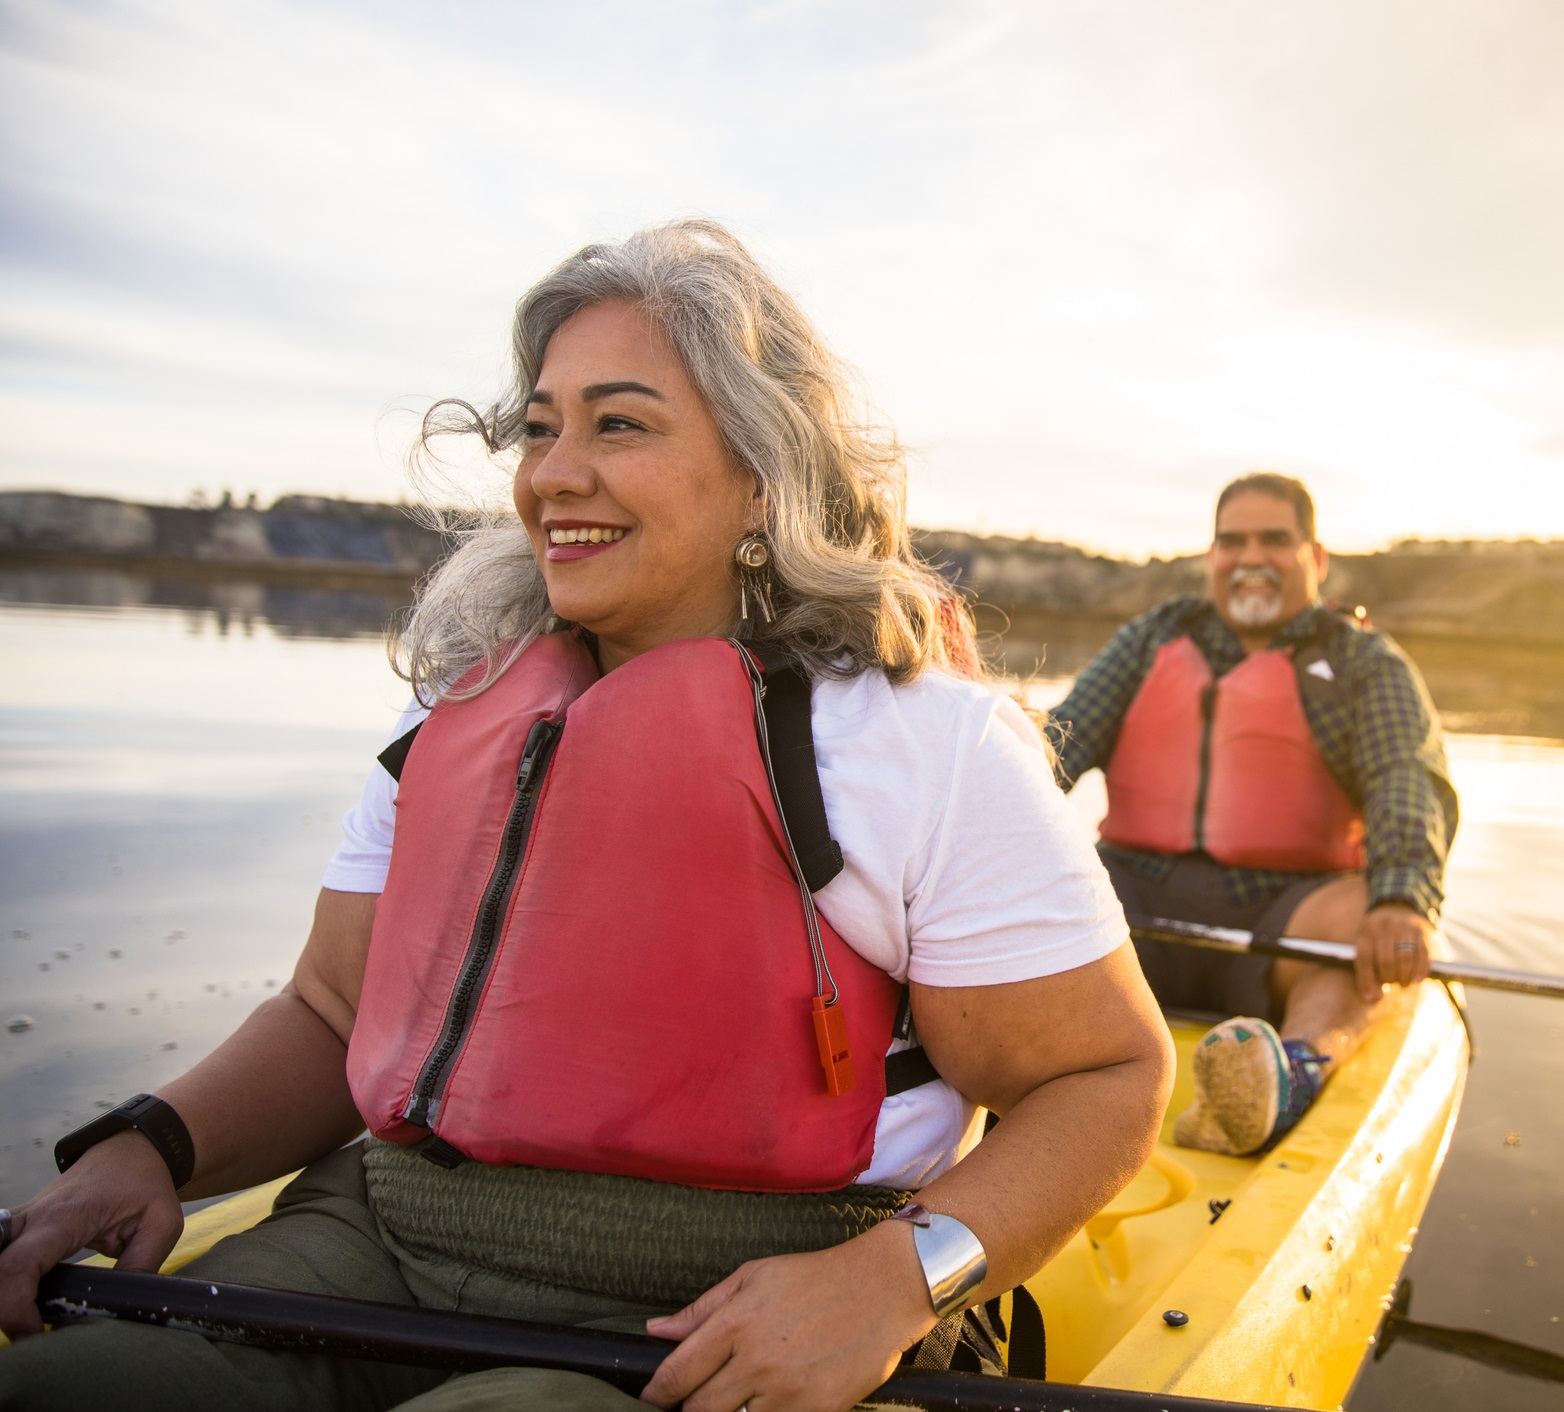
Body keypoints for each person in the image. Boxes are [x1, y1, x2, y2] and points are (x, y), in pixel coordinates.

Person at [0, 221, 1173, 1412]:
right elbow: (331, 1008)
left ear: (763, 471)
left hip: (727, 1305)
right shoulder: (457, 714)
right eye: (540, 426)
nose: (552, 472)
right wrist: (152, 1144)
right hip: (381, 1245)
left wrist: (893, 1280)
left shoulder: (922, 743)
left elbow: (1105, 1075)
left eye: (619, 423)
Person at [1045, 472, 1458, 1158]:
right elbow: (1058, 745)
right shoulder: (1154, 638)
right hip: (1132, 908)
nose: (1250, 558)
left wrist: (1402, 896)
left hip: (1284, 918)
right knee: (1028, 879)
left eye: (1275, 539)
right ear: (1212, 557)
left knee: (1364, 916)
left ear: (1315, 559)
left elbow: (1405, 776)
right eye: (1231, 542)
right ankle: (1013, 1066)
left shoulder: (1361, 661)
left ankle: (1289, 1072)